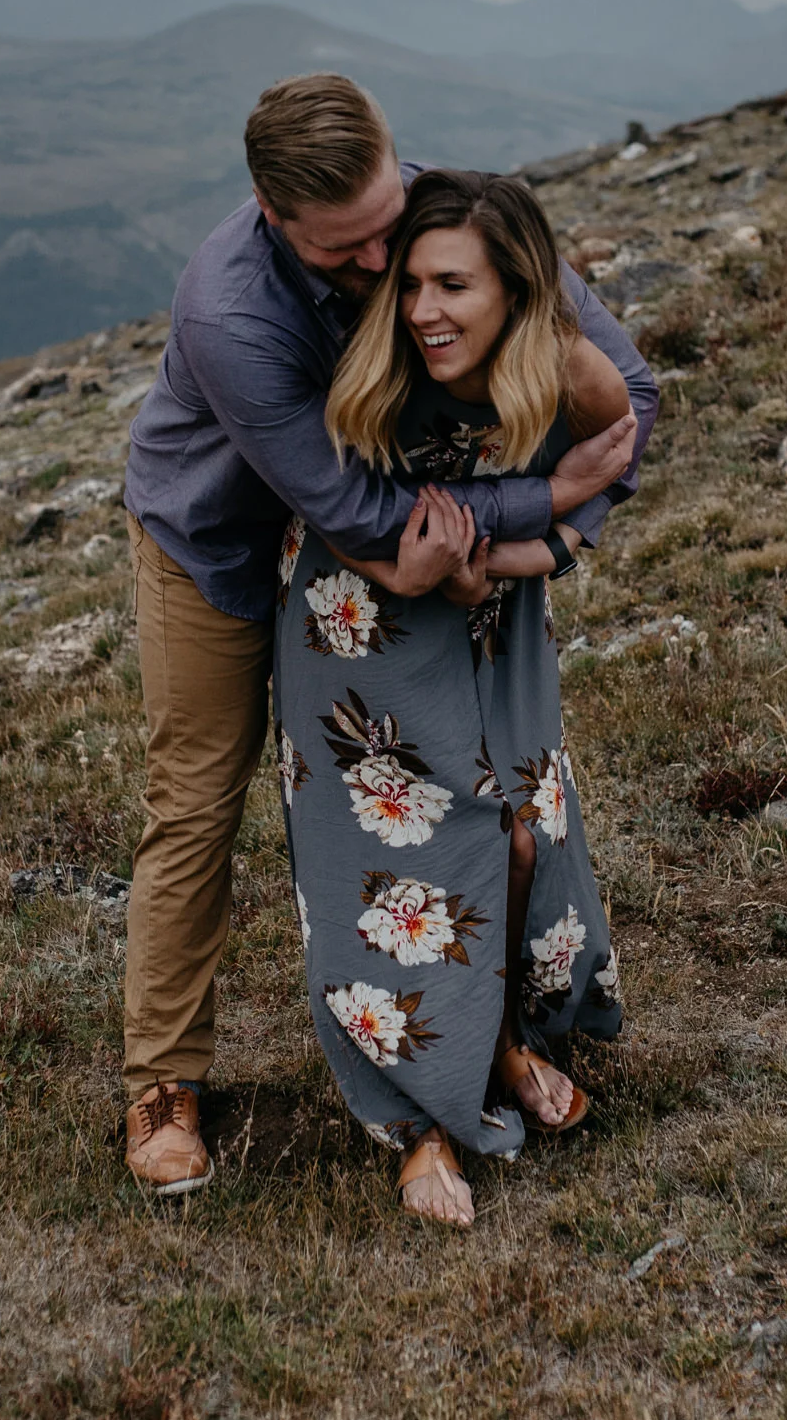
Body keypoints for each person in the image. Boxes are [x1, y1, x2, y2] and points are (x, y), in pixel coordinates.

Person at [118, 75, 657, 1196]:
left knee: (479, 802)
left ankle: (489, 1036)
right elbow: (361, 520)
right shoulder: (229, 311)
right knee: (197, 804)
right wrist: (539, 506)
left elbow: (626, 399)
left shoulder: (440, 217)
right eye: (346, 255)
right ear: (274, 216)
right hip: (225, 546)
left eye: (387, 231)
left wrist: (555, 536)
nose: (381, 272)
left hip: (401, 567)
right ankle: (163, 1082)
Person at [279, 167, 630, 1226]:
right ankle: (426, 1118)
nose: (425, 311)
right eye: (412, 287)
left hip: (495, 609)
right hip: (363, 614)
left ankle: (505, 1036)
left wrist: (535, 551)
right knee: (404, 862)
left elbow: (614, 456)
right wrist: (444, 557)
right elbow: (339, 507)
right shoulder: (368, 369)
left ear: (518, 290)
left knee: (520, 833)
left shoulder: (564, 364)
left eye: (454, 287)